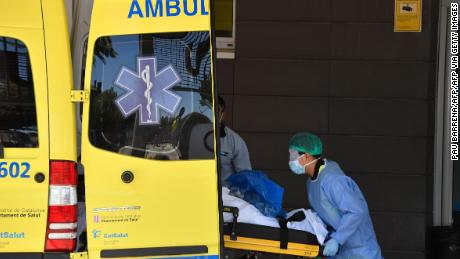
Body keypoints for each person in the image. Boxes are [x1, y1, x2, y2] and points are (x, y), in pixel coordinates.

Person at [288, 132, 383, 258]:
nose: (291, 160)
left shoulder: (333, 180)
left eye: (293, 155)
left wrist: (337, 240)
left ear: (306, 156)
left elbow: (356, 211)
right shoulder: (312, 182)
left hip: (360, 250)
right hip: (340, 250)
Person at [218, 96, 252, 184]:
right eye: (209, 110)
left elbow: (245, 177)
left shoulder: (235, 141)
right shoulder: (190, 136)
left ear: (223, 114)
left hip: (223, 195)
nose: (212, 114)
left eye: (216, 110)